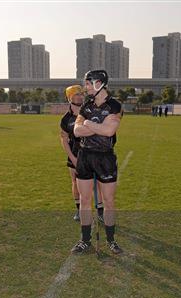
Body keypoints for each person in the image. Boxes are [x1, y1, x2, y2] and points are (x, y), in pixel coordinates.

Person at [72, 70, 123, 254]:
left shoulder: (114, 105)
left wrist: (88, 125)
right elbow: (76, 131)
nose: (85, 87)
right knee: (85, 200)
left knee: (108, 201)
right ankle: (85, 240)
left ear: (99, 83)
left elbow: (109, 131)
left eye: (87, 83)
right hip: (85, 156)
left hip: (105, 157)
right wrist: (97, 127)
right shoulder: (86, 105)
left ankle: (111, 240)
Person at [60, 85, 104, 222]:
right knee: (75, 182)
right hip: (75, 155)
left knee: (96, 184)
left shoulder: (91, 112)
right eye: (76, 95)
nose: (79, 96)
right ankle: (79, 211)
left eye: (80, 94)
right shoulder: (66, 119)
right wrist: (73, 158)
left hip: (92, 153)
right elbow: (64, 139)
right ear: (69, 98)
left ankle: (101, 213)